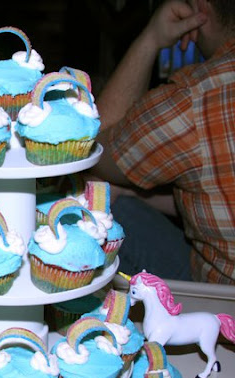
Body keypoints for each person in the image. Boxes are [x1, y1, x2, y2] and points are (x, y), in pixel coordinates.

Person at [92, 0, 234, 284]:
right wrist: (136, 192)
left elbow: (95, 153)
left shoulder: (195, 100)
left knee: (97, 197)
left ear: (200, 9)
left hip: (220, 300)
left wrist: (151, 39)